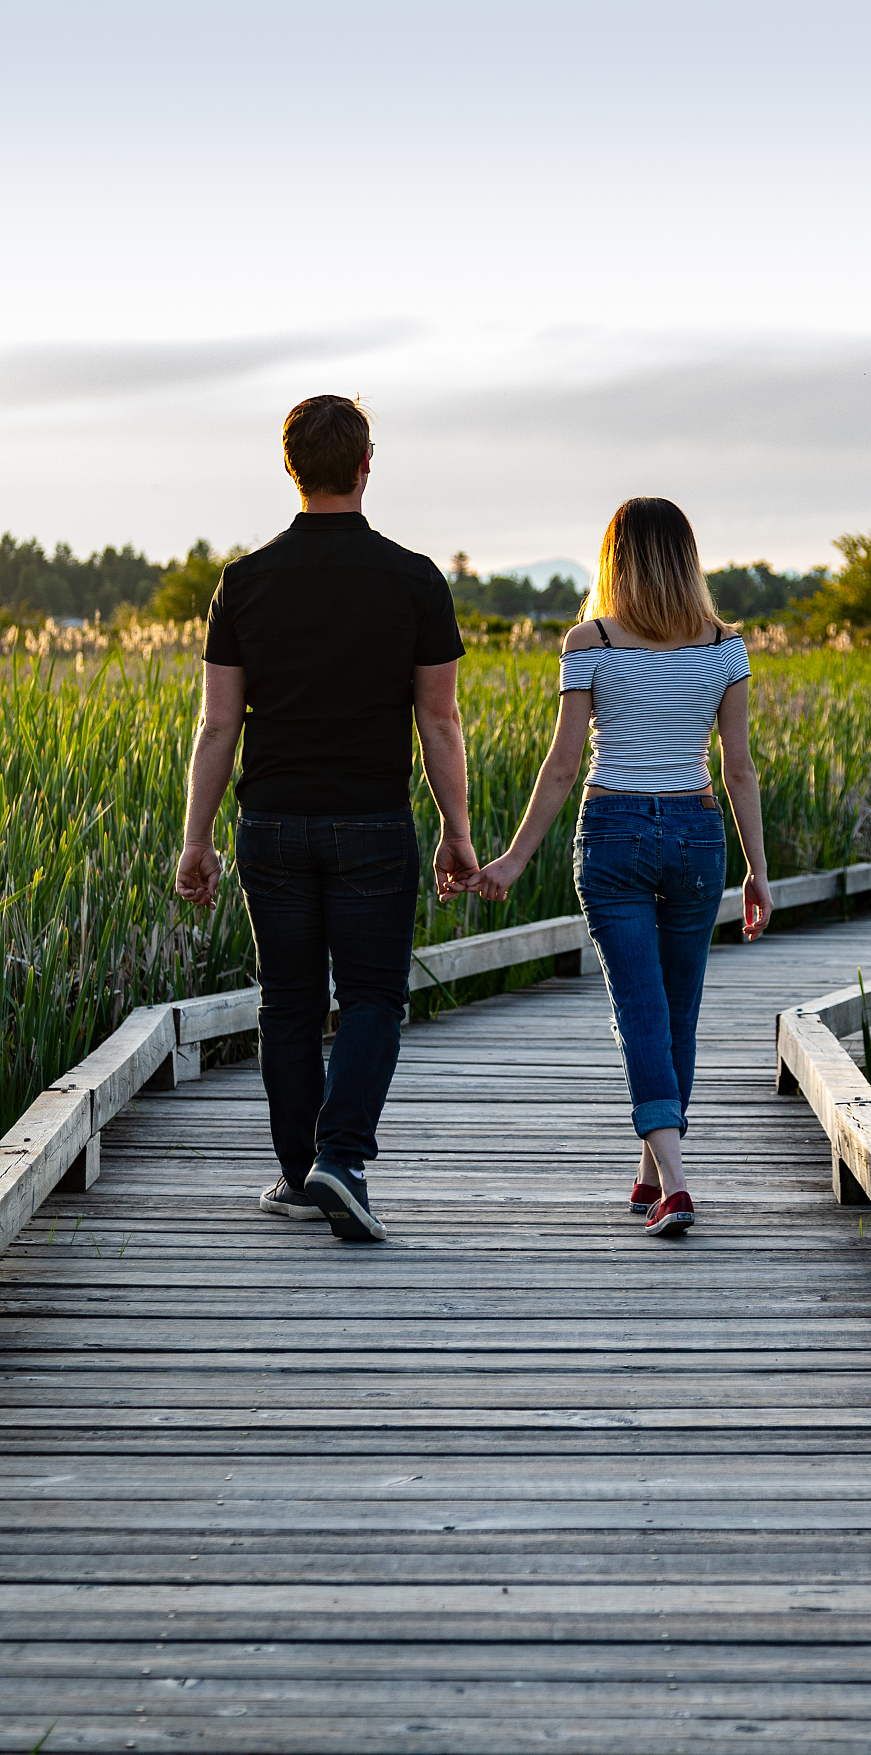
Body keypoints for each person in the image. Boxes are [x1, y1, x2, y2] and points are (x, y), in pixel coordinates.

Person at [174, 394, 480, 1244]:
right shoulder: (414, 577)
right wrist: (457, 831)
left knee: (289, 1002)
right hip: (373, 823)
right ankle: (338, 1161)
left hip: (269, 821)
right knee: (375, 994)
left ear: (290, 467)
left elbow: (219, 724)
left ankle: (297, 1174)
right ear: (365, 465)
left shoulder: (244, 580)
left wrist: (196, 838)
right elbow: (439, 721)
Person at [473, 496, 773, 1238]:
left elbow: (563, 765)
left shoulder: (590, 640)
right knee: (675, 1013)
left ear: (615, 558)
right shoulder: (723, 645)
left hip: (612, 834)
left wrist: (513, 860)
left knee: (641, 1009)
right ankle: (650, 1173)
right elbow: (738, 770)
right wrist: (757, 871)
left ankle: (672, 1183)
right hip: (698, 834)